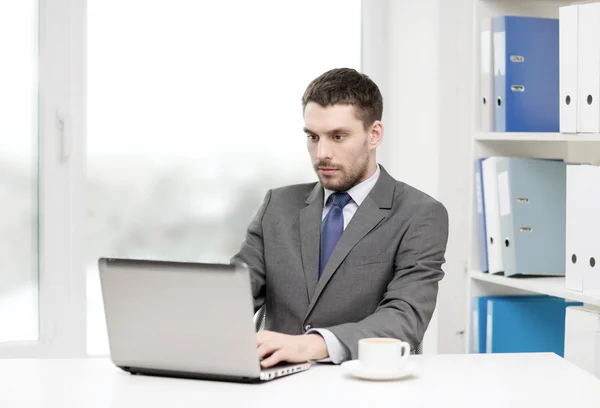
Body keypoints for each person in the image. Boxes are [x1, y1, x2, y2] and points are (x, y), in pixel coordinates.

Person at [231, 67, 449, 368]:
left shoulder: (419, 214)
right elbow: (232, 294)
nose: (322, 153)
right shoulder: (277, 205)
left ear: (374, 135)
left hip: (364, 386)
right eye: (313, 137)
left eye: (338, 136)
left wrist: (313, 344)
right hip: (272, 382)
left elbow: (404, 318)